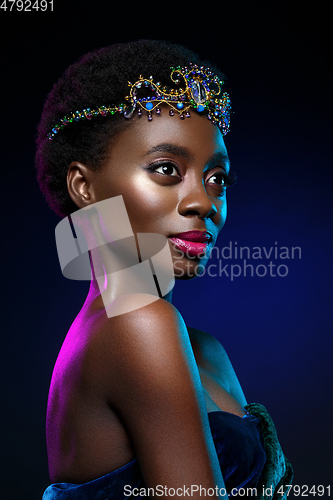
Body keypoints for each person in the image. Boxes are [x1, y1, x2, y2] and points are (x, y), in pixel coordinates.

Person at [36, 40, 293, 499]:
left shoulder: (203, 351)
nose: (204, 203)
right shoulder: (138, 323)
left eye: (217, 179)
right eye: (166, 169)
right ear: (84, 187)